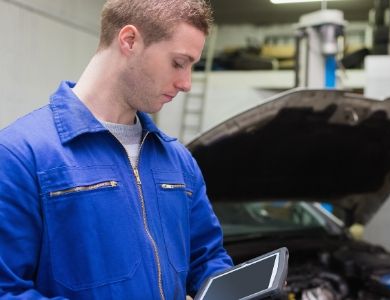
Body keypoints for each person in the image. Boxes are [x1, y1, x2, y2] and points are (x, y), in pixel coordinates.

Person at [0, 0, 233, 299]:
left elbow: (207, 259)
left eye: (191, 66)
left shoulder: (178, 162)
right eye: (178, 63)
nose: (186, 83)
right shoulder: (20, 155)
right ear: (130, 40)